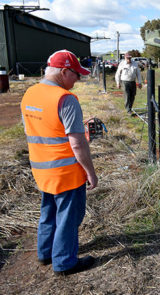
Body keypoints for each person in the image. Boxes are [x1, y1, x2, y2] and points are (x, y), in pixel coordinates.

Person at [20, 49, 98, 275]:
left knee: (48, 211)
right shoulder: (65, 99)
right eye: (76, 74)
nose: (78, 79)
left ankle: (45, 254)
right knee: (68, 217)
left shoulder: (30, 94)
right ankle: (64, 262)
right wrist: (90, 173)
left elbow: (31, 130)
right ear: (64, 72)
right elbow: (77, 144)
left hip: (40, 168)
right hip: (66, 172)